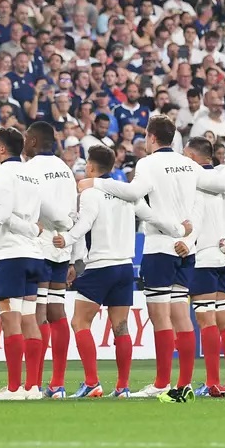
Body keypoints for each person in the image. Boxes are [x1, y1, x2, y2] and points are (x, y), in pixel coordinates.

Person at [83, 115, 200, 400]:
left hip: (160, 247)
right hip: (186, 248)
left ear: (151, 137)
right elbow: (200, 204)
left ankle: (162, 382)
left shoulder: (148, 163)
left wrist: (96, 184)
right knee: (182, 317)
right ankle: (184, 383)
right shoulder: (189, 164)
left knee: (161, 318)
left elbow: (134, 192)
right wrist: (188, 238)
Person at [67, 146, 170, 397]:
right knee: (121, 326)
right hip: (124, 266)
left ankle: (92, 382)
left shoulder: (91, 193)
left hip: (100, 266)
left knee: (79, 321)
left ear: (91, 167)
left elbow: (85, 224)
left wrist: (66, 240)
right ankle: (122, 386)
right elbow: (151, 216)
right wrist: (178, 229)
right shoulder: (126, 194)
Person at [0, 126, 48, 400]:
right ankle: (32, 387)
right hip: (34, 255)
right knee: (29, 319)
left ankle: (13, 388)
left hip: (10, 254)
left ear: (1, 148)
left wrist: (27, 229)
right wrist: (34, 230)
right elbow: (42, 213)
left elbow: (2, 213)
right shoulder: (32, 173)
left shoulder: (1, 174)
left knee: (10, 321)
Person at [24, 120, 80, 398]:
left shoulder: (30, 169)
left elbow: (43, 207)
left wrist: (60, 225)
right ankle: (57, 383)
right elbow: (75, 210)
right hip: (62, 249)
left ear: (33, 141)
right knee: (57, 313)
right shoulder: (65, 169)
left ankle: (32, 384)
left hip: (40, 246)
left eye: (26, 137)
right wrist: (73, 254)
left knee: (37, 314)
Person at [186, 138, 225, 397]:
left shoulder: (195, 185)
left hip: (204, 258)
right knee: (224, 319)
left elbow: (193, 223)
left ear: (193, 157)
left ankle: (212, 383)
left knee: (206, 319)